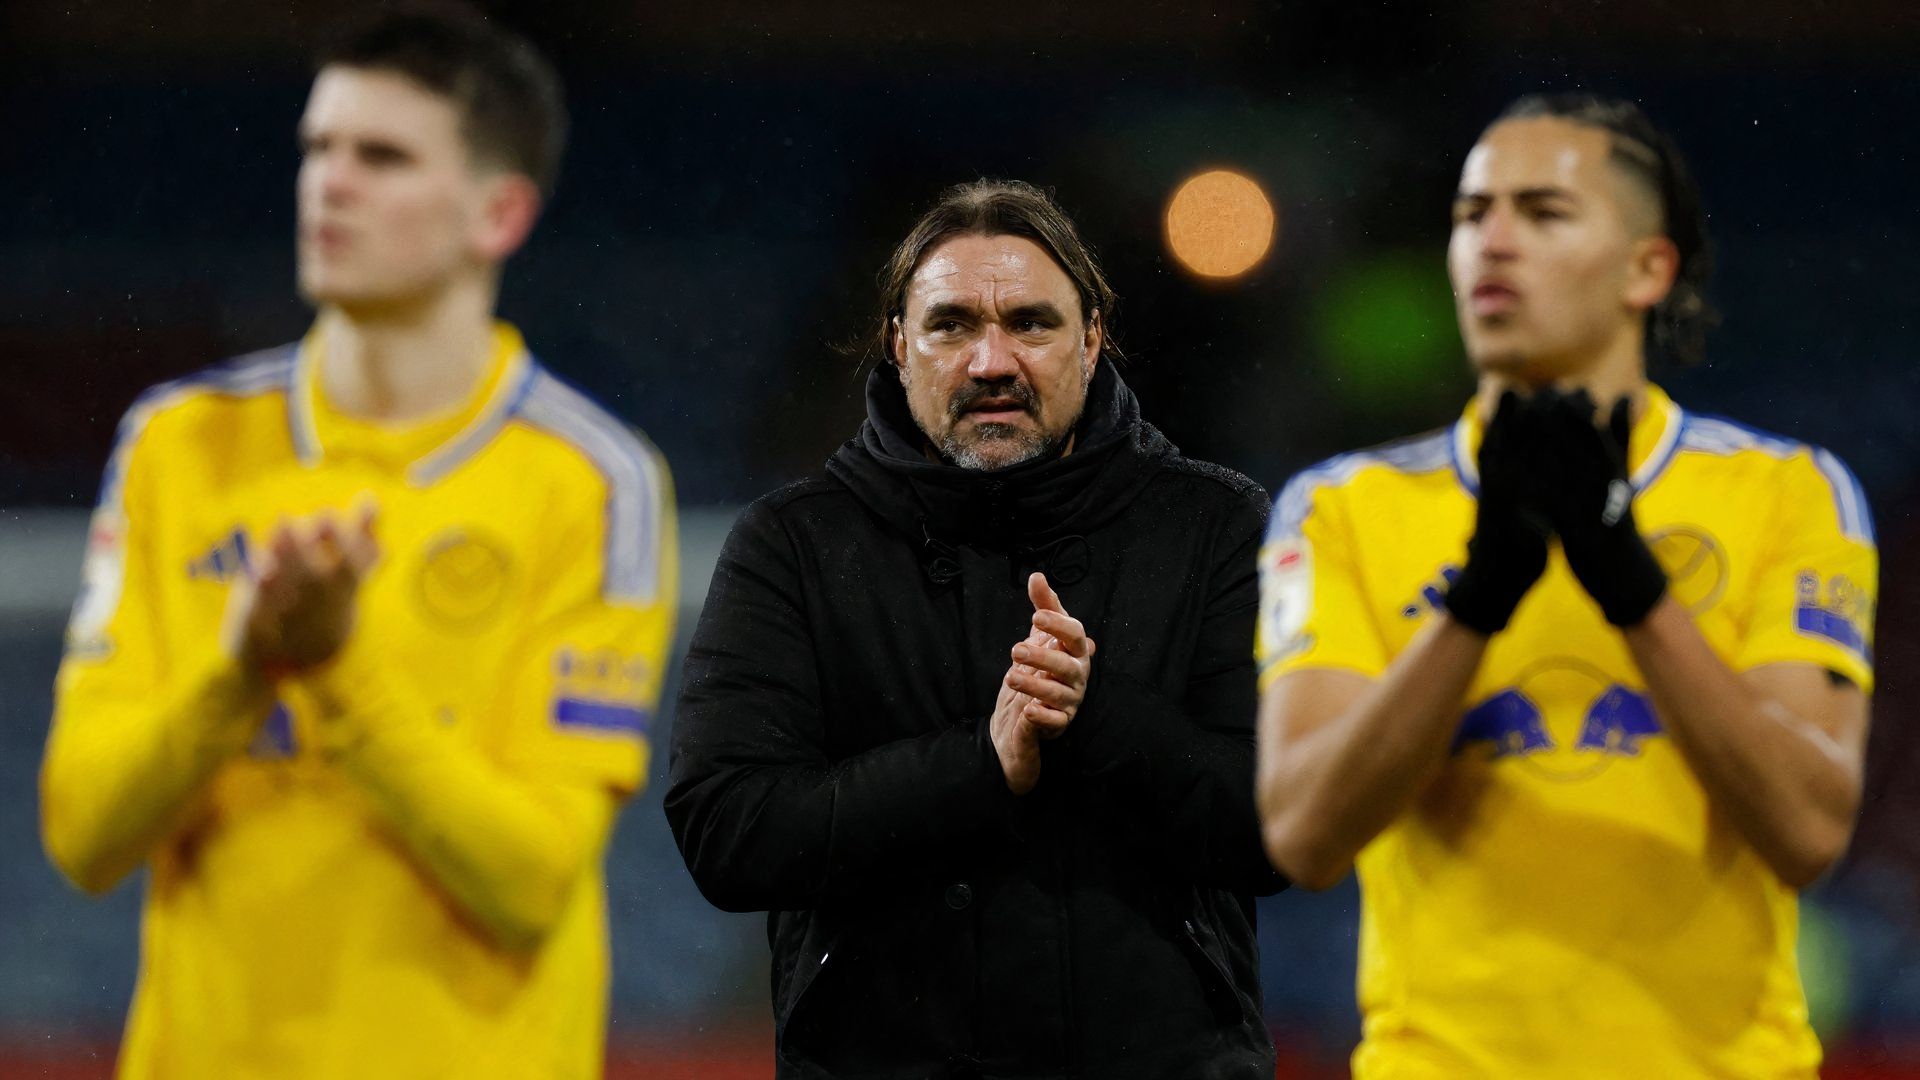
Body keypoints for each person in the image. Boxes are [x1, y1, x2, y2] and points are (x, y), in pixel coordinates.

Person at [39, 8, 676, 1078]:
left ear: (500, 213)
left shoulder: (592, 482)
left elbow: (526, 884)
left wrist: (336, 671)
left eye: (381, 157)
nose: (329, 184)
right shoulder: (179, 446)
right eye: (317, 148)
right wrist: (241, 669)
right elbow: (84, 836)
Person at [1256, 93, 1876, 1077]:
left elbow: (1807, 829)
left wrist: (1626, 580)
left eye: (1543, 214)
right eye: (1471, 215)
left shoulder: (1789, 493)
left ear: (1648, 267)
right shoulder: (1339, 508)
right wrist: (1479, 598)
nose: (1492, 244)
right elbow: (1304, 836)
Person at [666, 179, 1283, 1079]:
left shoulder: (1215, 527)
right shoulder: (793, 545)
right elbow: (728, 834)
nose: (992, 361)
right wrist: (979, 767)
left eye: (1031, 323)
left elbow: (1277, 829)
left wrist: (1097, 715)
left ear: (1094, 338)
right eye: (952, 325)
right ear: (897, 344)